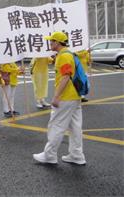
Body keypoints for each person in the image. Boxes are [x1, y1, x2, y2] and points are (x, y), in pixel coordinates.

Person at [33, 31, 86, 165]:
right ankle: (76, 155)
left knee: (56, 125)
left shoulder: (64, 56)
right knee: (75, 127)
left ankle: (49, 155)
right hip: (75, 96)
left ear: (57, 42)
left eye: (51, 41)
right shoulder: (68, 54)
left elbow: (66, 76)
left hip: (66, 97)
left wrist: (56, 96)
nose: (49, 43)